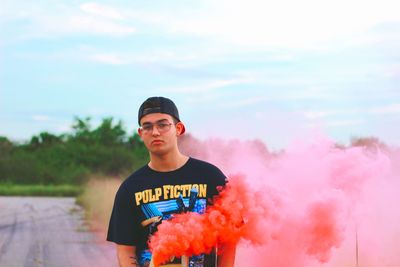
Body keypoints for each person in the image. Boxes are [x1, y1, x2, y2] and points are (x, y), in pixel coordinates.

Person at [107, 96, 236, 267]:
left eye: (162, 124)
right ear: (141, 133)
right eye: (147, 126)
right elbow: (125, 251)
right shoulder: (130, 188)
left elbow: (230, 240)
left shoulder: (210, 177)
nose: (155, 132)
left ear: (179, 129)